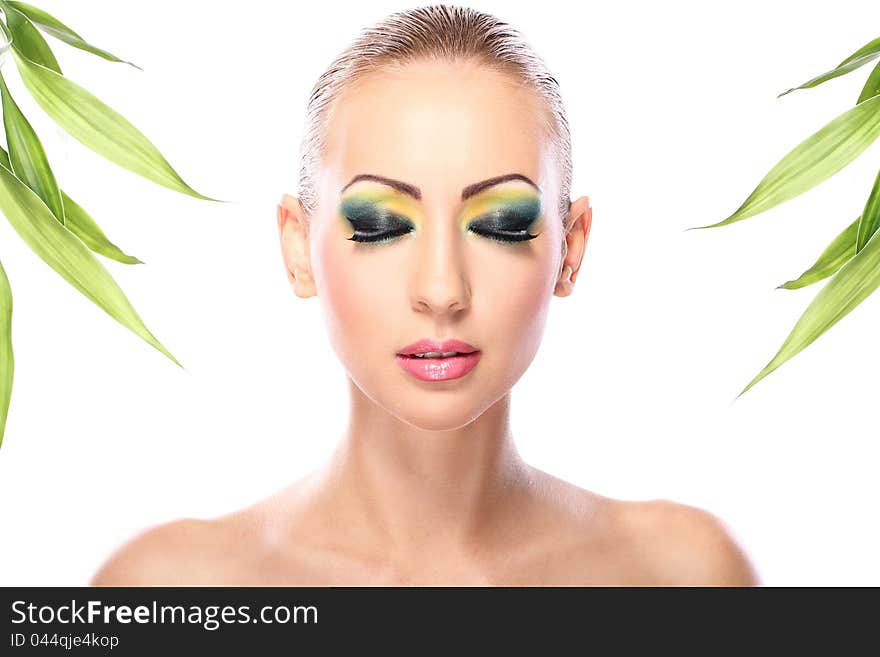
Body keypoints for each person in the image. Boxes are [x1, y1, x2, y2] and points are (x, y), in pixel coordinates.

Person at [90, 4, 759, 586]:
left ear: (571, 248)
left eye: (502, 223)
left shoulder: (685, 578)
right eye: (380, 225)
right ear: (298, 247)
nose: (442, 290)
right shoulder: (166, 591)